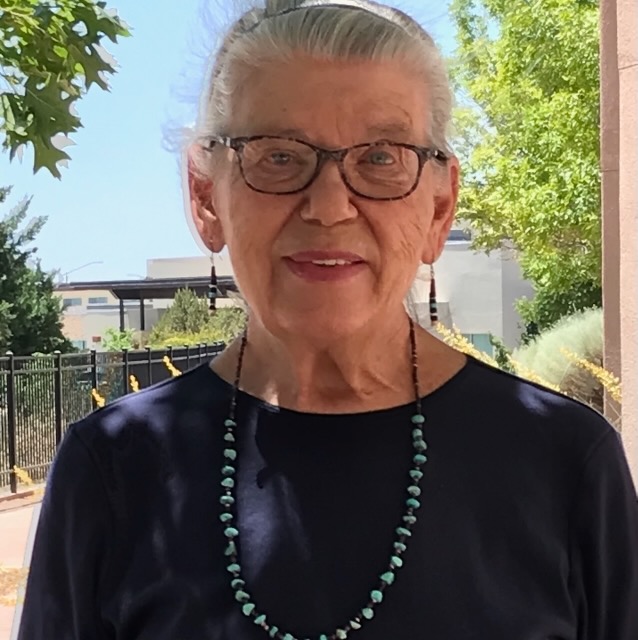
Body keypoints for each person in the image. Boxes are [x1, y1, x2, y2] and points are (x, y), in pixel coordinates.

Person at [17, 1, 638, 639]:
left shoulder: (564, 462)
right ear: (206, 196)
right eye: (279, 157)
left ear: (440, 207)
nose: (330, 206)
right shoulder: (113, 469)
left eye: (381, 158)